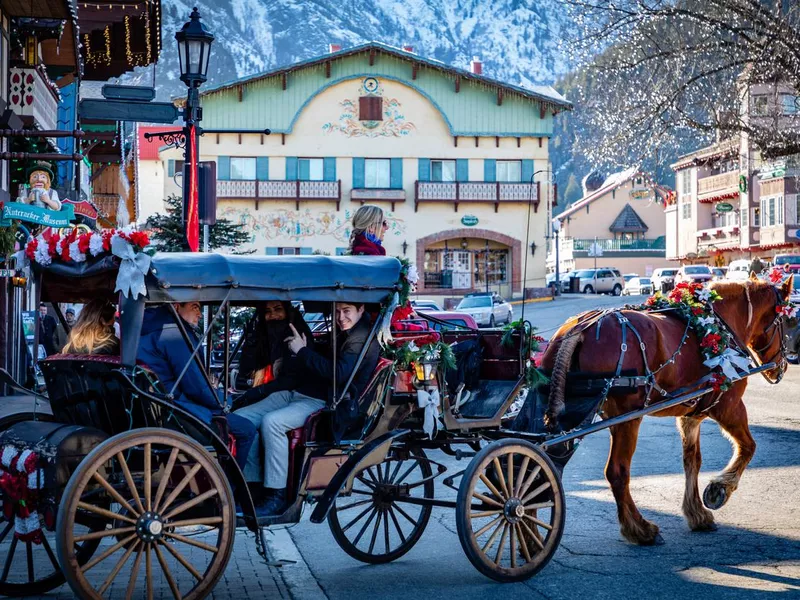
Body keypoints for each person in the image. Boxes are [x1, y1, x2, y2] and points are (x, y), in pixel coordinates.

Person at [235, 301, 380, 515]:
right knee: (241, 419)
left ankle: (276, 494)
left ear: (361, 309)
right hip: (299, 392)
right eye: (337, 311)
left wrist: (302, 351)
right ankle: (252, 484)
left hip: (322, 401)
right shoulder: (345, 333)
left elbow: (339, 374)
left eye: (346, 311)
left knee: (272, 423)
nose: (341, 317)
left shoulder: (360, 339)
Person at [137, 301, 256, 471]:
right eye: (195, 307)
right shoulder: (174, 335)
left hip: (159, 404)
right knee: (247, 429)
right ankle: (233, 489)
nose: (199, 314)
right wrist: (225, 400)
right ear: (176, 306)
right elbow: (196, 387)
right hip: (178, 410)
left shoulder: (146, 331)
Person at [234, 301, 313, 396]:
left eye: (278, 309)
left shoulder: (298, 337)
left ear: (287, 312)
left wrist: (260, 391)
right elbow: (246, 371)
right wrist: (249, 347)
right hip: (269, 390)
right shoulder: (263, 335)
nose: (273, 315)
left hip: (295, 394)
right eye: (267, 311)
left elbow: (292, 378)